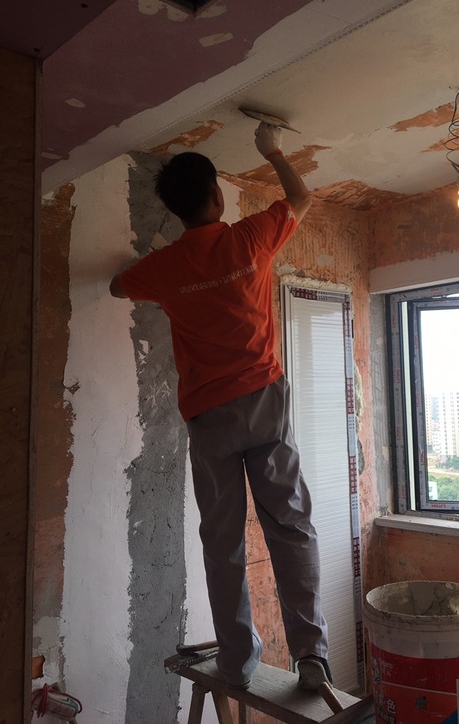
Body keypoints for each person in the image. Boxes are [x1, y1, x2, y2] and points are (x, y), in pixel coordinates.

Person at [110, 123, 331, 691]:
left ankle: (236, 658)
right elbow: (301, 197)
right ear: (218, 197)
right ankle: (311, 654)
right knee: (290, 525)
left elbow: (117, 286)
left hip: (208, 417)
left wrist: (167, 277)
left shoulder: (165, 269)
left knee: (222, 540)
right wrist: (272, 150)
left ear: (174, 209)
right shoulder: (249, 238)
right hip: (263, 401)